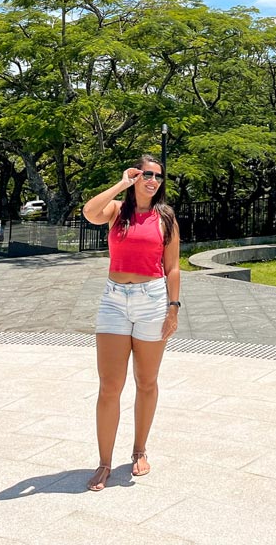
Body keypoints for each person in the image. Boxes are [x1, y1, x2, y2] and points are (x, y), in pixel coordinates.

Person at [82, 154, 181, 491]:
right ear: (136, 177)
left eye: (158, 176)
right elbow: (89, 211)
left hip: (152, 300)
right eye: (147, 174)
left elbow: (173, 267)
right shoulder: (116, 213)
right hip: (114, 301)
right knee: (109, 386)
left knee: (146, 381)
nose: (153, 180)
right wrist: (122, 184)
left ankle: (139, 450)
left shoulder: (165, 218)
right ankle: (105, 462)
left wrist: (173, 308)